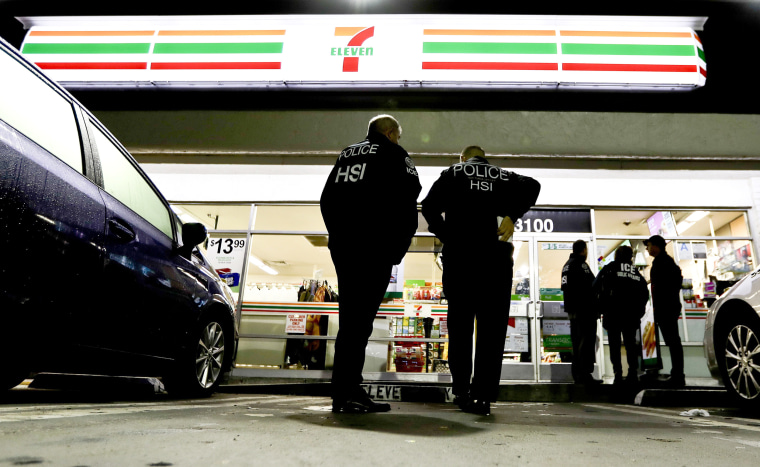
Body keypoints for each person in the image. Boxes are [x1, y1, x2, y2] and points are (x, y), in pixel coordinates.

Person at [421, 145, 540, 415]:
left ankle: (462, 391)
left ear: (463, 158)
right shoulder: (502, 175)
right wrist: (513, 215)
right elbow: (533, 185)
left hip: (461, 261)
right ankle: (483, 396)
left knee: (460, 328)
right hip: (495, 263)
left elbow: (428, 206)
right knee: (492, 331)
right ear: (485, 158)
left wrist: (445, 233)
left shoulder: (453, 173)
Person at [320, 114, 421, 413]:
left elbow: (327, 199)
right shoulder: (394, 154)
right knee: (359, 323)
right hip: (375, 249)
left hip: (345, 248)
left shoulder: (347, 154)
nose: (399, 141)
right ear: (390, 133)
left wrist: (337, 236)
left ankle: (346, 390)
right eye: (398, 136)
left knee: (351, 321)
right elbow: (408, 200)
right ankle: (348, 392)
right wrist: (396, 250)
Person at [593, 245, 649, 386]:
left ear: (617, 255)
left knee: (615, 345)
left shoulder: (609, 268)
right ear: (630, 257)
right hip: (631, 316)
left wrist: (600, 307)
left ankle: (617, 373)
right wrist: (639, 311)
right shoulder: (635, 273)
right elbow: (644, 293)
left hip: (613, 314)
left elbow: (595, 286)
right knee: (631, 344)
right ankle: (632, 373)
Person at [645, 234, 685, 388]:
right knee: (673, 341)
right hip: (667, 307)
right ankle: (677, 374)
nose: (648, 249)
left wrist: (661, 304)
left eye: (648, 245)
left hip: (666, 308)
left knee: (673, 341)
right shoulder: (666, 262)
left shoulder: (663, 263)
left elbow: (665, 287)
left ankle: (678, 375)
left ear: (656, 246)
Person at [561, 240, 601, 385]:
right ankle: (585, 375)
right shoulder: (580, 264)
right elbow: (592, 285)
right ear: (583, 250)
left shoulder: (567, 265)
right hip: (584, 310)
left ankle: (578, 374)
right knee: (586, 342)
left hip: (573, 311)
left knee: (577, 342)